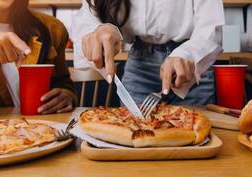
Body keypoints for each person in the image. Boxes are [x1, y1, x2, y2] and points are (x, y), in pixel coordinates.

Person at [71, 0, 225, 105]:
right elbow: (87, 17)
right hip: (140, 62)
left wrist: (189, 54)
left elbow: (212, 25)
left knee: (196, 140)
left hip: (190, 63)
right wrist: (97, 30)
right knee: (131, 133)